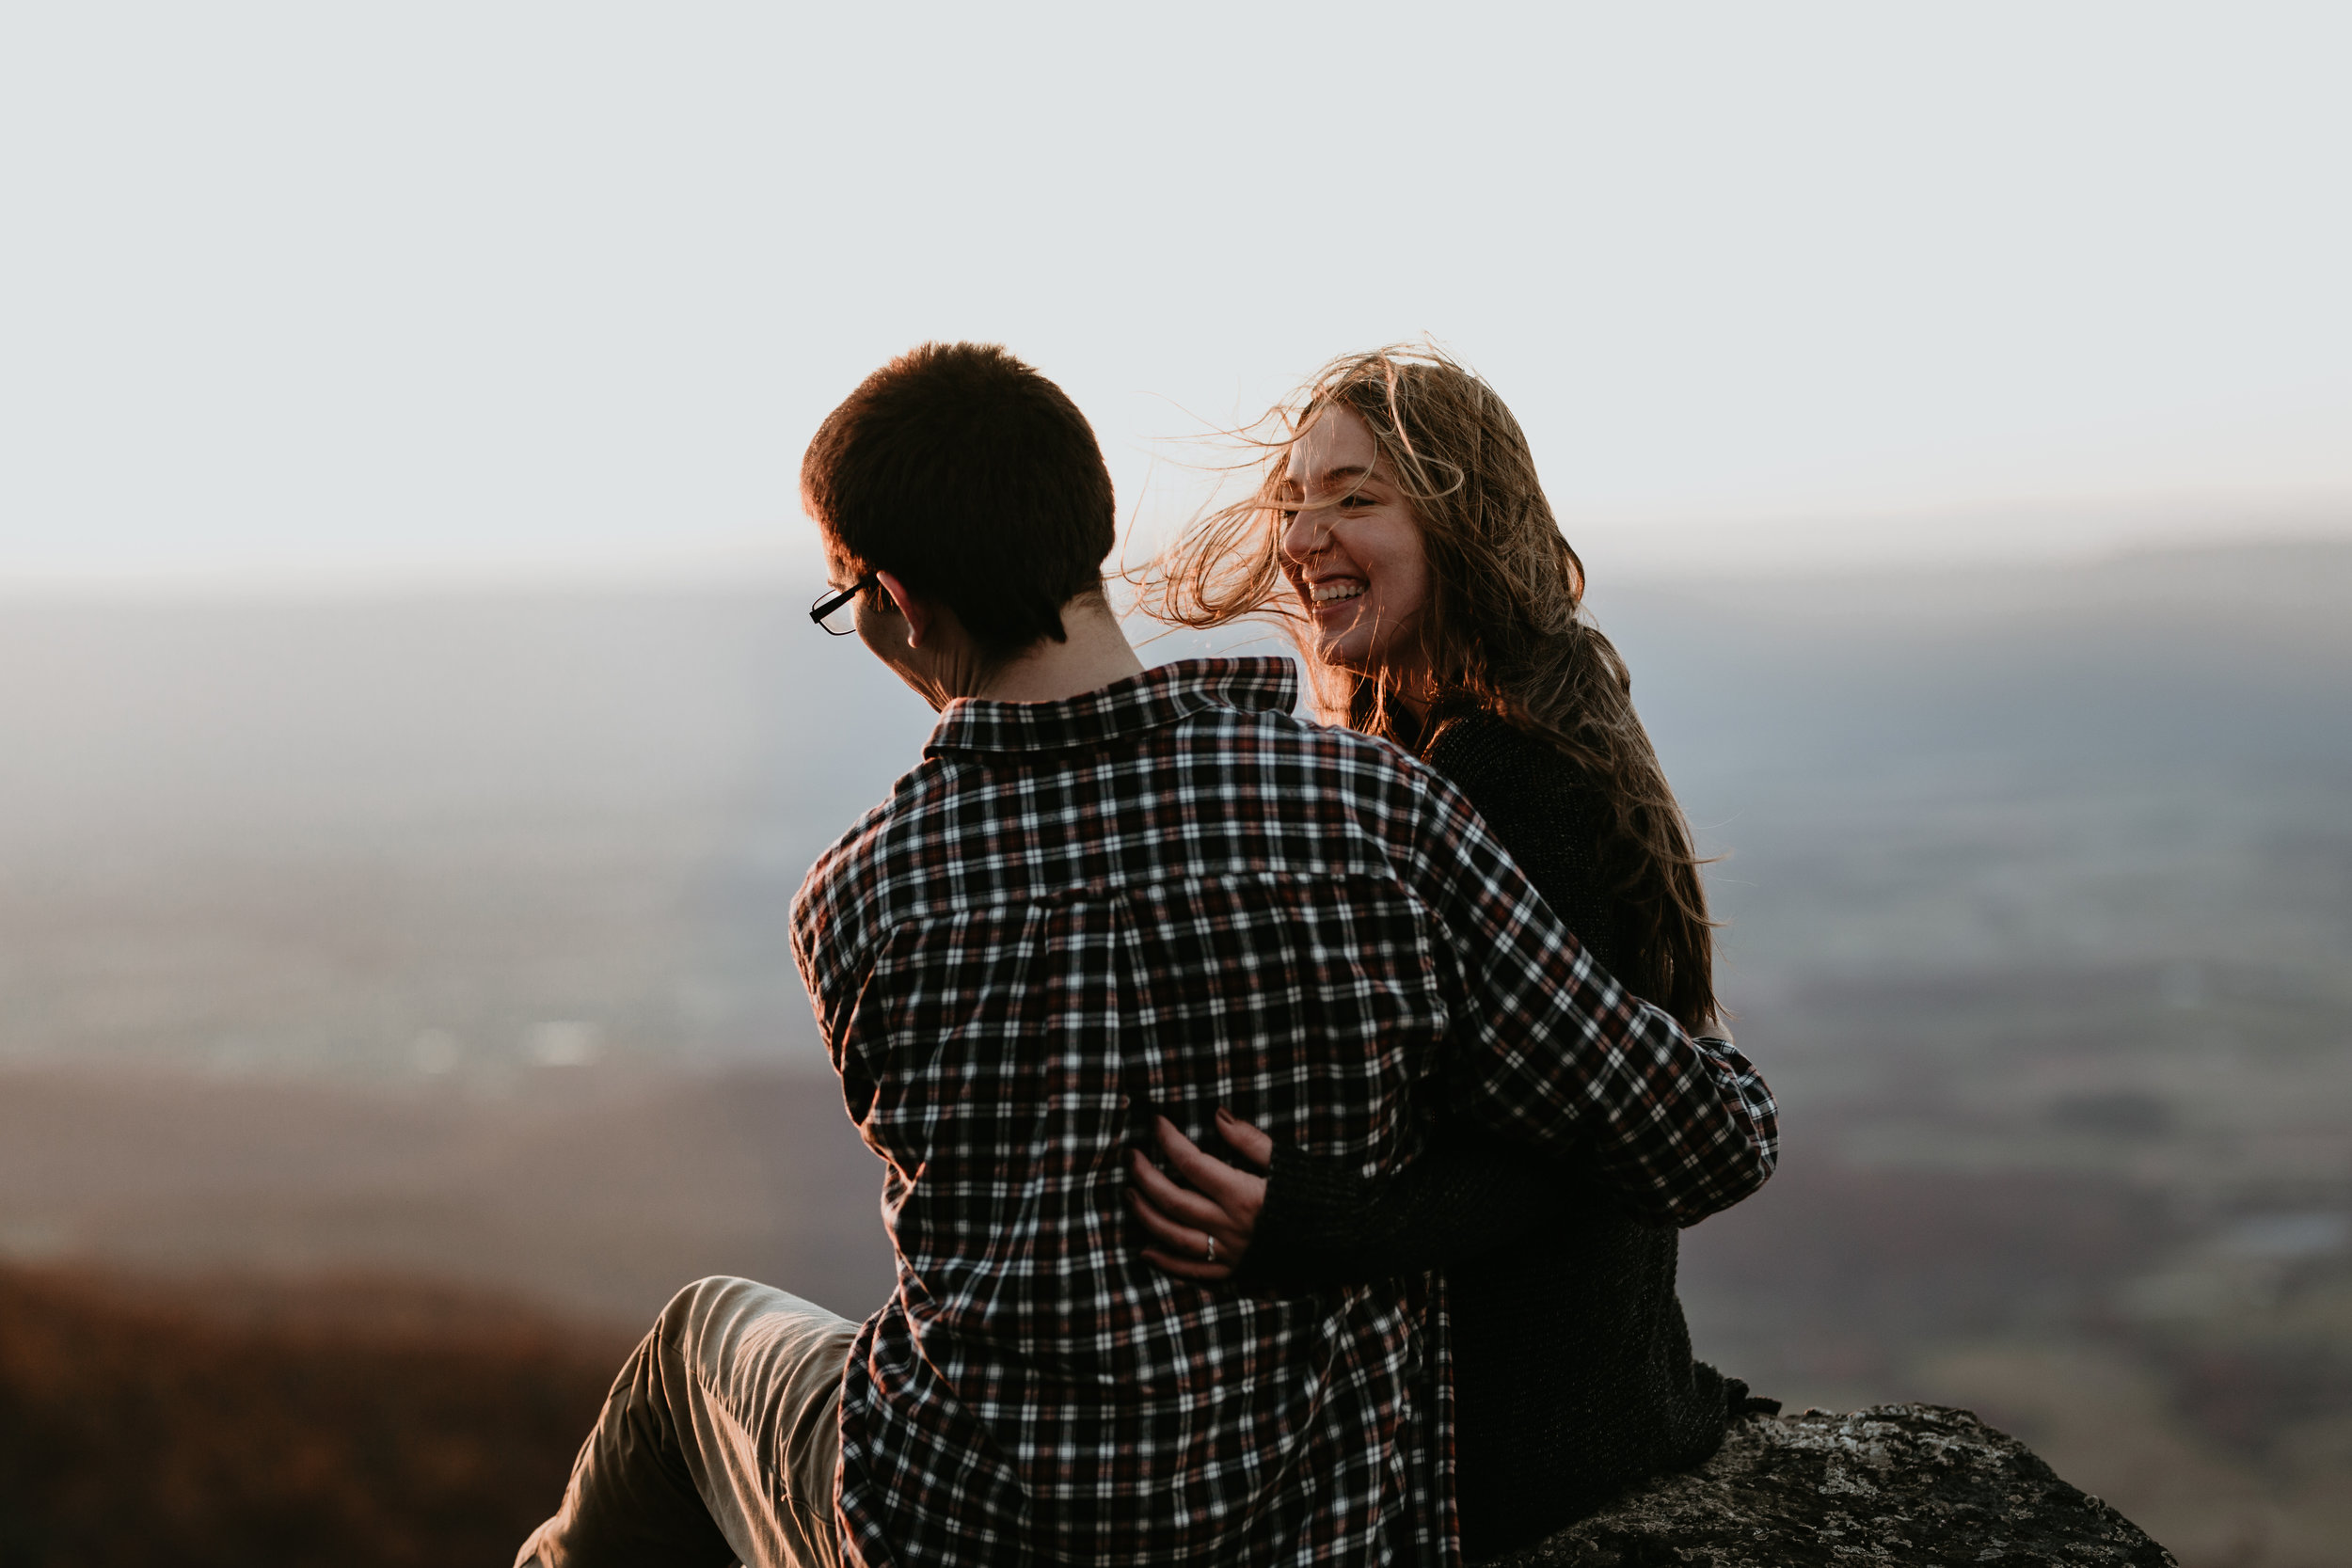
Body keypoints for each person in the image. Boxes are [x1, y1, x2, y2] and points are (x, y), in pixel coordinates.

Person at [516, 341, 1776, 1568]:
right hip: (1310, 1522)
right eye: (1299, 501)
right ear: (1090, 534)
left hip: (955, 1523)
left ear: (897, 604)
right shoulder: (1377, 815)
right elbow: (1706, 1133)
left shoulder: (857, 900)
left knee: (699, 1341)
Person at [1128, 344, 1772, 1560]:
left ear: (1465, 521)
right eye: (1293, 502)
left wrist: (1311, 1222)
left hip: (1516, 1444)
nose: (1305, 536)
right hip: (1556, 1405)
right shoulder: (1497, 721)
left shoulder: (1510, 768)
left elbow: (1572, 1153)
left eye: (1356, 498)